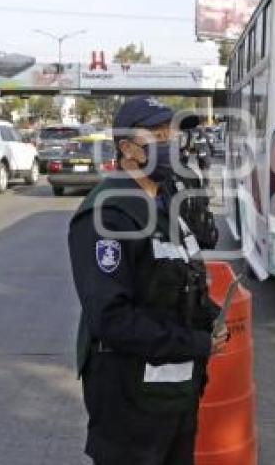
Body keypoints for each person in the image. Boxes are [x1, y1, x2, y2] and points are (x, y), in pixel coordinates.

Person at [68, 97, 228, 464]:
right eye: (157, 135)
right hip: (129, 401)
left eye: (170, 133)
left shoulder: (166, 203)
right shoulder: (108, 215)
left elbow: (180, 279)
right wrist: (194, 342)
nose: (170, 143)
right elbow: (111, 319)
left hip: (176, 394)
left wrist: (211, 319)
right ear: (127, 149)